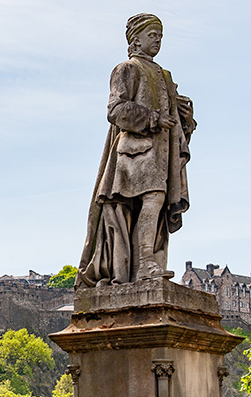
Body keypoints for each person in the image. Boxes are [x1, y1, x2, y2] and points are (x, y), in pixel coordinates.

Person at [77, 13, 196, 288]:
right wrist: (152, 118)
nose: (158, 41)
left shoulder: (164, 75)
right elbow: (115, 109)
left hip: (160, 156)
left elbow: (176, 117)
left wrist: (184, 115)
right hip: (133, 155)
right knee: (149, 201)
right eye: (152, 35)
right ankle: (144, 265)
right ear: (136, 39)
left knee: (157, 204)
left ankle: (149, 264)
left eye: (160, 36)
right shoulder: (126, 69)